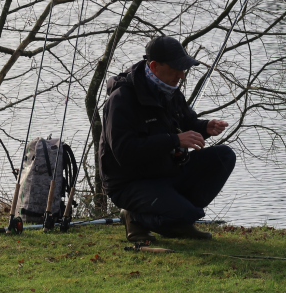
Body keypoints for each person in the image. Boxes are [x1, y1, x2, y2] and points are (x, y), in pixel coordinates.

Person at [99, 35, 236, 242]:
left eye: (183, 69)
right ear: (154, 66)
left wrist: (205, 127)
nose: (181, 75)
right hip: (130, 183)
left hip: (164, 172)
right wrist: (173, 141)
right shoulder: (121, 99)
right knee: (188, 214)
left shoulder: (170, 92)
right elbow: (124, 152)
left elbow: (186, 123)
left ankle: (179, 216)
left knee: (224, 156)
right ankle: (135, 216)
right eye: (176, 69)